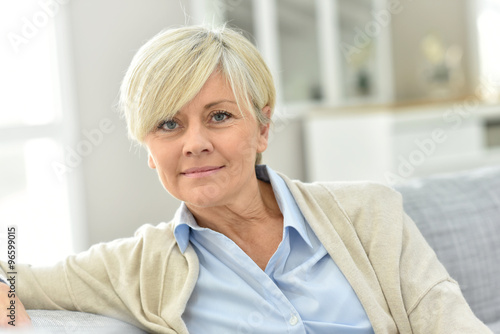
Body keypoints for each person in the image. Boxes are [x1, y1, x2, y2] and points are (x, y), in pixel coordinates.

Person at [0, 25, 492, 334]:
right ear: (150, 151)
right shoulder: (133, 266)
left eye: (218, 116)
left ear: (262, 127)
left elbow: (447, 320)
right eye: (168, 125)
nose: (194, 142)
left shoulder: (371, 213)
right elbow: (11, 269)